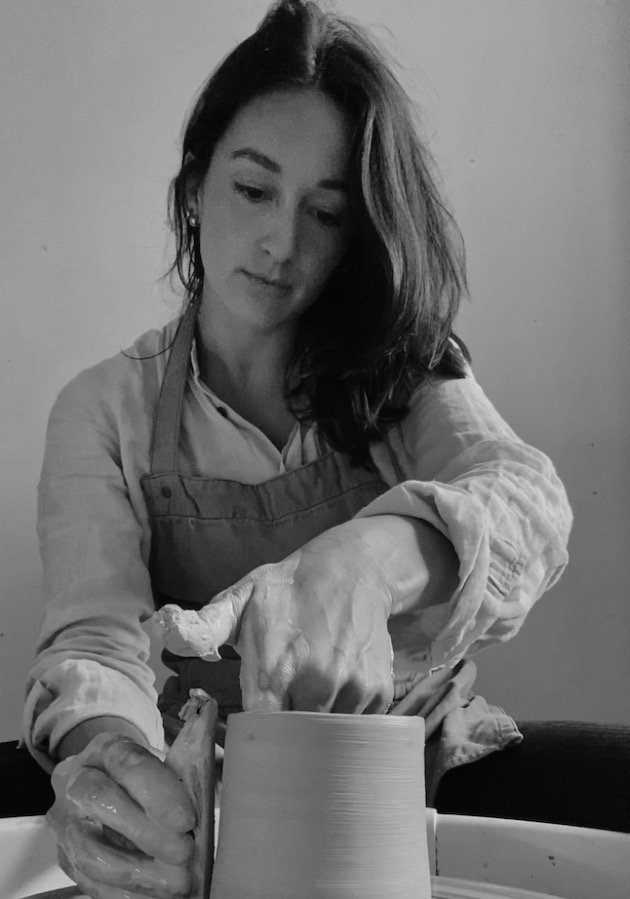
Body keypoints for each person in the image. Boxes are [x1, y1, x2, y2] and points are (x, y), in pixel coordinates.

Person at [23, 1, 572, 897]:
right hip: (200, 795)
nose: (282, 244)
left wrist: (373, 560)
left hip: (402, 771)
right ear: (194, 189)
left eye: (325, 212)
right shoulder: (102, 409)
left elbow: (529, 499)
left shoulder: (401, 371)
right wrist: (118, 772)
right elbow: (98, 639)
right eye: (253, 190)